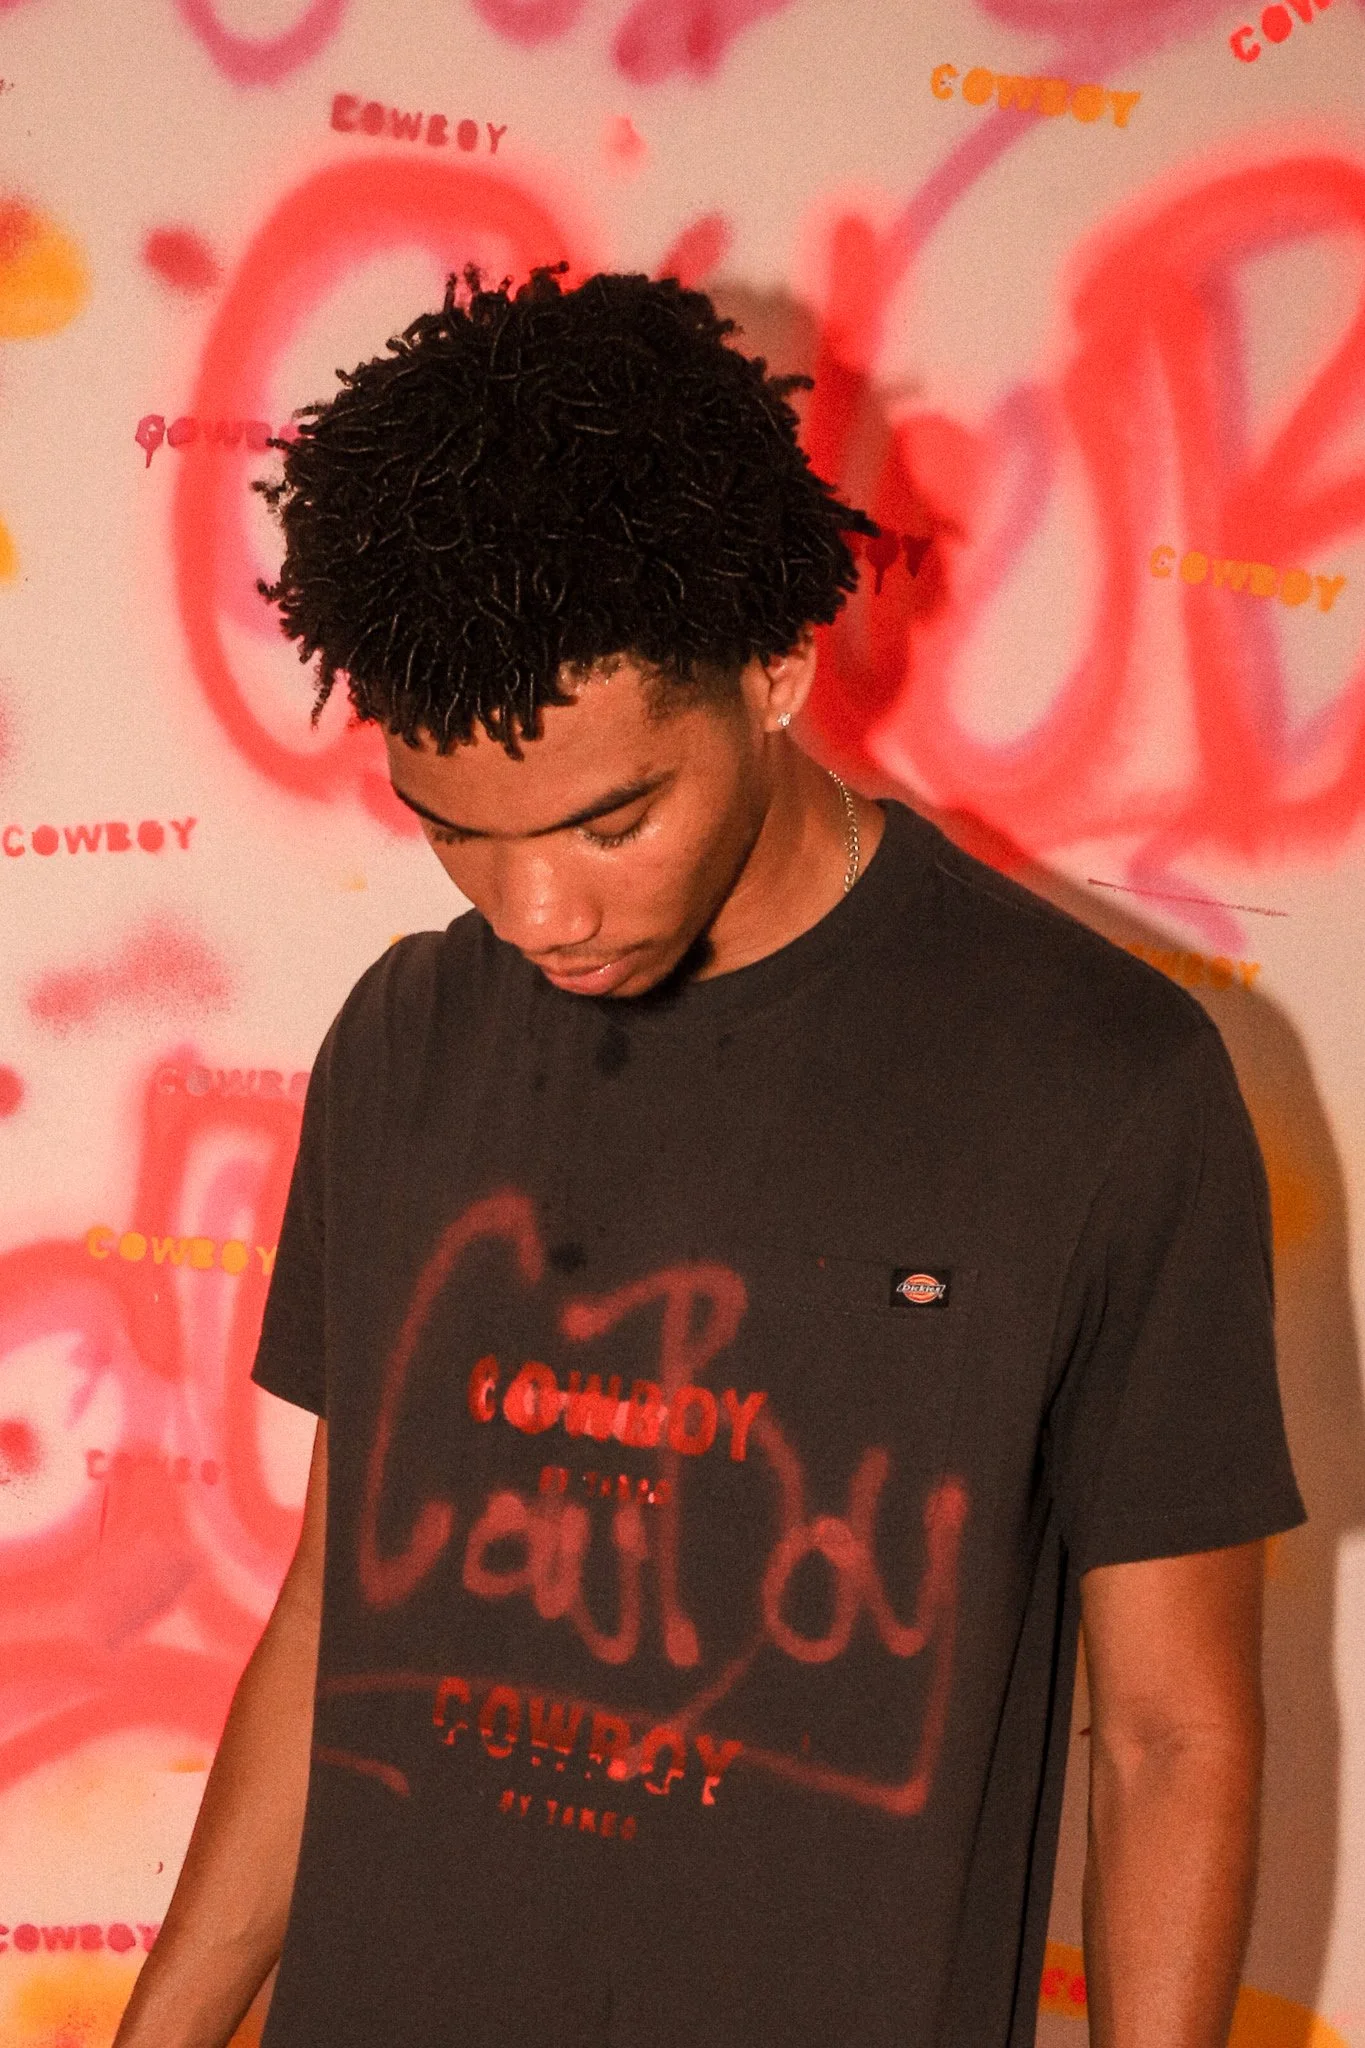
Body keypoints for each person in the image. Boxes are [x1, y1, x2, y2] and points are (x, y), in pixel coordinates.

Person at [111, 267, 1306, 2048]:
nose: (538, 911)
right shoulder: (408, 1046)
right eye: (456, 831)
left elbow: (1172, 1735)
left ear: (775, 668)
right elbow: (337, 1619)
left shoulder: (1100, 1083)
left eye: (613, 817)